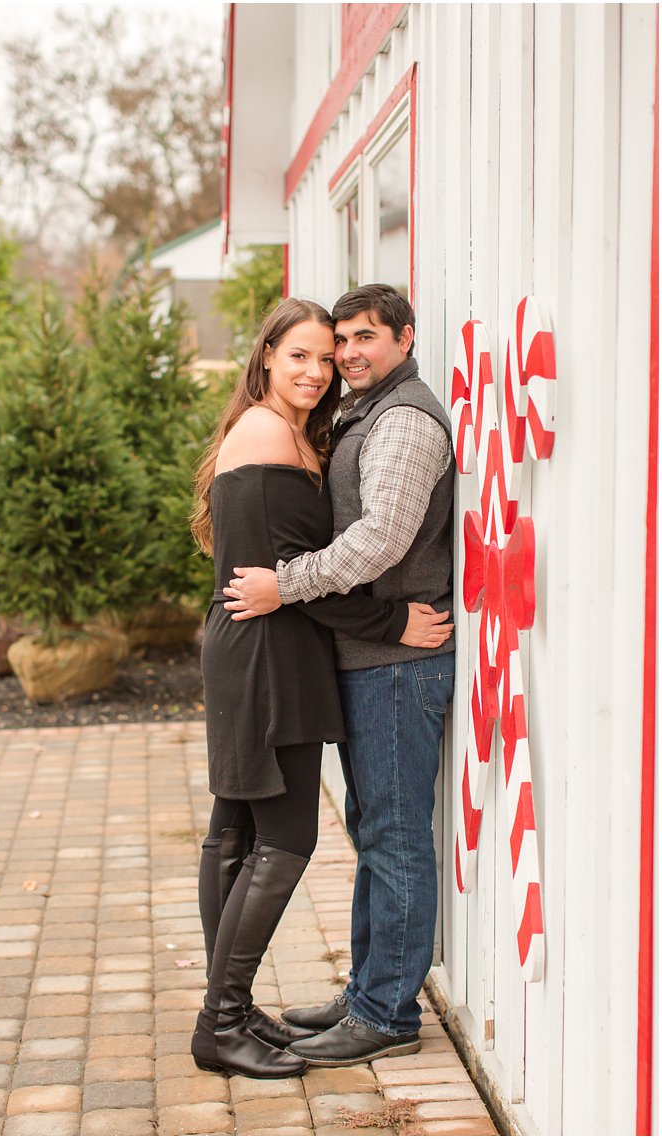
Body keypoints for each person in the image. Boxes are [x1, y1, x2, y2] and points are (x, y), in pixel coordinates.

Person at [187, 297, 452, 1079]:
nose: (318, 366)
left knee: (238, 831)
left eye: (328, 353)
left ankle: (231, 1010)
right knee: (280, 837)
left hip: (273, 651)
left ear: (402, 340)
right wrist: (390, 620)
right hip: (270, 653)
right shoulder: (271, 435)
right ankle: (223, 1018)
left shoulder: (310, 432)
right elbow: (281, 577)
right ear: (265, 355)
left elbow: (296, 569)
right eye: (301, 352)